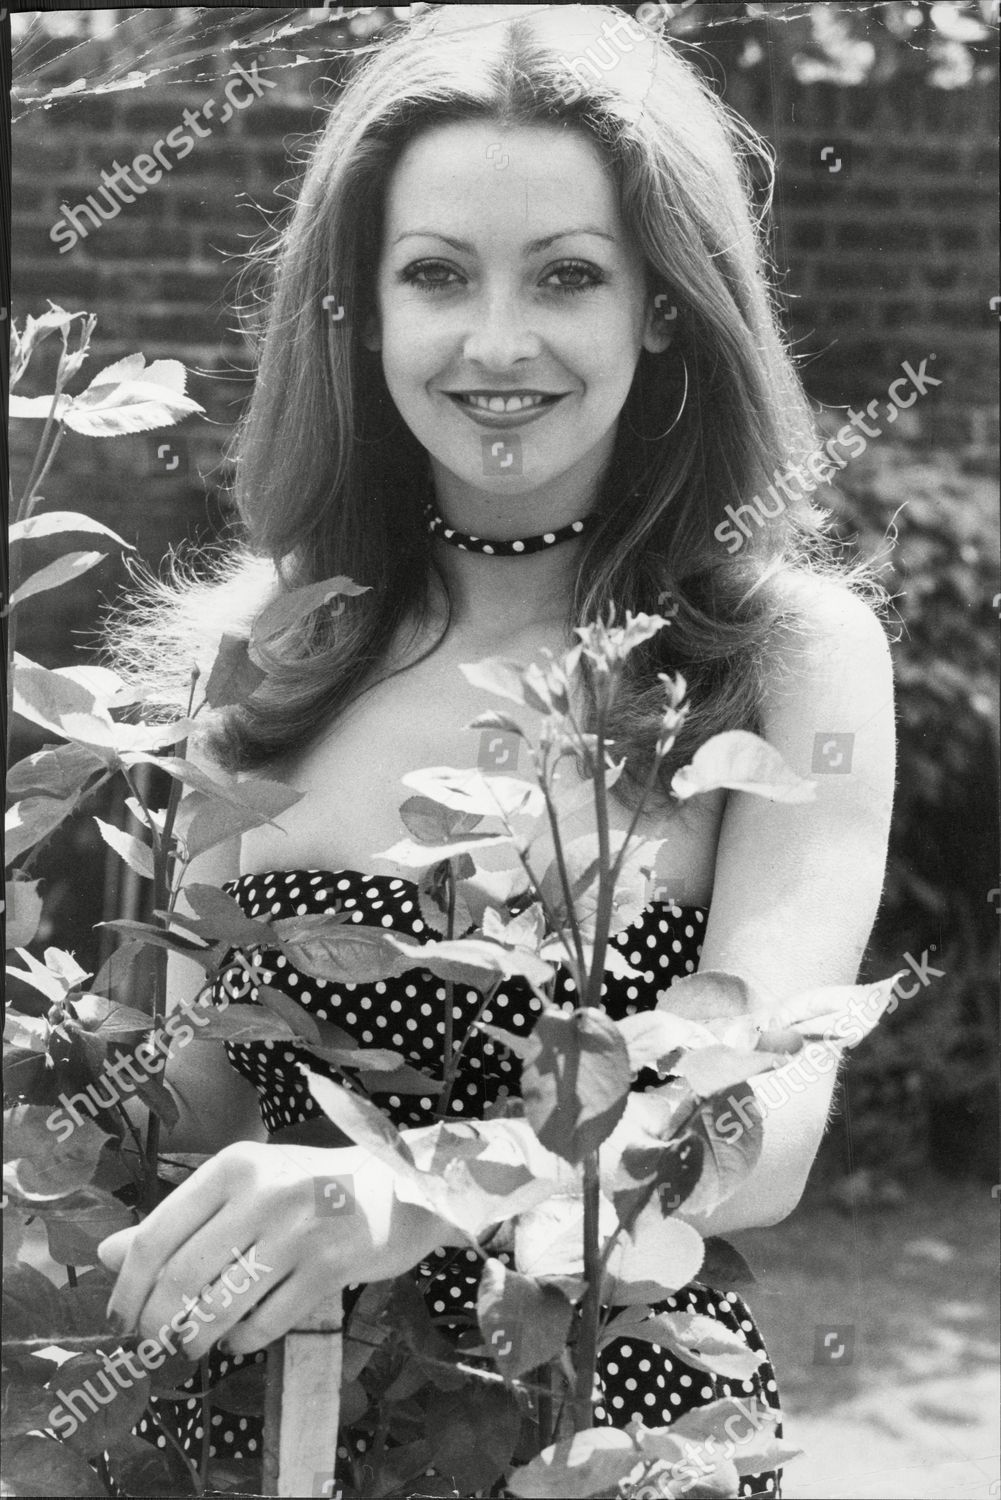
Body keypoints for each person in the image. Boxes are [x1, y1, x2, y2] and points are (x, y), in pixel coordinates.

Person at [98, 6, 896, 1495]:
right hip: (257, 1436)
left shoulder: (784, 656)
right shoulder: (252, 651)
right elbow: (189, 1098)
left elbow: (766, 1124)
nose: (498, 341)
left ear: (665, 306)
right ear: (358, 307)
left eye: (569, 275)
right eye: (436, 274)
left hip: (608, 1431)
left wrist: (411, 1191)